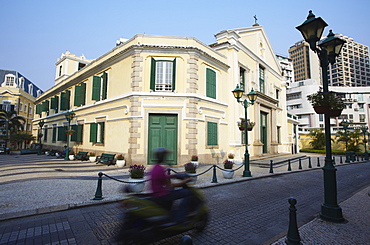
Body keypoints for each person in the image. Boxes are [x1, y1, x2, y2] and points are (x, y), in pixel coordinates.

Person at [150, 148, 192, 224]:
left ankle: (170, 211)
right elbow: (170, 185)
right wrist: (185, 181)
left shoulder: (155, 167)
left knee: (173, 191)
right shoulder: (160, 169)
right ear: (162, 157)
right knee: (187, 193)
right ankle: (180, 217)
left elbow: (164, 178)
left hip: (157, 193)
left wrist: (176, 175)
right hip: (162, 194)